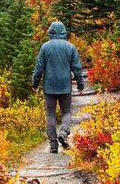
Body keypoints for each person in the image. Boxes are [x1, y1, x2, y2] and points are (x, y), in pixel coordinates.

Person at [32, 21, 85, 153]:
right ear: (63, 31)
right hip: (65, 86)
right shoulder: (70, 47)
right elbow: (77, 68)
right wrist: (80, 84)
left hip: (49, 87)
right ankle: (63, 133)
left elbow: (39, 67)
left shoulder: (45, 47)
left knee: (50, 114)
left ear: (50, 31)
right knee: (66, 112)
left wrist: (34, 82)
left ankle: (53, 145)